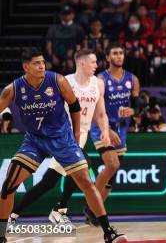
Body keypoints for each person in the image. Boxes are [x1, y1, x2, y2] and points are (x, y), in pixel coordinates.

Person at [0, 48, 126, 243]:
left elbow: (74, 106)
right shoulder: (14, 89)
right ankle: (2, 233)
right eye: (36, 63)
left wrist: (76, 133)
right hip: (34, 140)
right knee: (9, 185)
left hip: (62, 138)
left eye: (43, 62)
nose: (42, 66)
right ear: (26, 67)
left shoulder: (57, 80)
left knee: (85, 181)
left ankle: (108, 231)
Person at [86, 43, 140, 226]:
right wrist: (106, 129)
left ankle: (93, 212)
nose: (119, 56)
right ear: (108, 57)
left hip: (121, 130)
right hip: (102, 128)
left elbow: (138, 105)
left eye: (121, 53)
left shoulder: (132, 79)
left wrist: (132, 111)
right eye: (115, 53)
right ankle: (90, 205)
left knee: (111, 178)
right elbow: (93, 109)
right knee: (112, 164)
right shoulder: (100, 79)